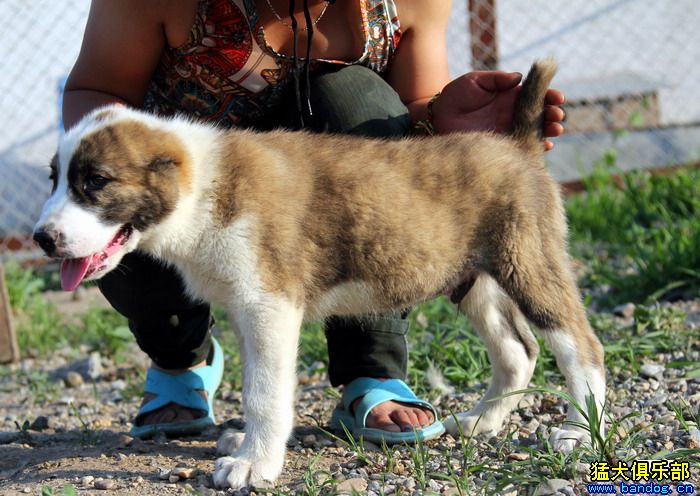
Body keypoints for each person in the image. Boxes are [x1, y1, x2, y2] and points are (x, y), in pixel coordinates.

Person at [63, 0, 565, 442]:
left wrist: (442, 121)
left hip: (325, 193)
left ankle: (372, 370)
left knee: (355, 96)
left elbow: (406, 129)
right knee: (106, 196)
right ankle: (181, 361)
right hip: (193, 184)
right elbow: (93, 89)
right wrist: (149, 154)